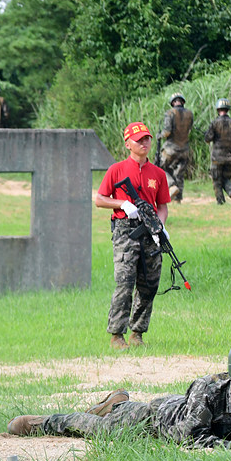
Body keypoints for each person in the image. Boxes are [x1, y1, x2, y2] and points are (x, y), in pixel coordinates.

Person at [7, 337, 231, 451]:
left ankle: (116, 402)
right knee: (92, 428)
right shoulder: (208, 390)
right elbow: (188, 439)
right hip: (154, 421)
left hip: (179, 411)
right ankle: (39, 423)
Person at [95, 122, 170, 350]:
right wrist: (122, 204)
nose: (145, 143)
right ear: (128, 144)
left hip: (150, 230)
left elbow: (163, 205)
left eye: (147, 139)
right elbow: (100, 199)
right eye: (139, 140)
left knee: (149, 283)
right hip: (125, 230)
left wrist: (160, 226)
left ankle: (137, 333)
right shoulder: (116, 170)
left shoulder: (157, 174)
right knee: (125, 282)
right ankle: (117, 335)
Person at [204, 98, 231, 205]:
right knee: (226, 179)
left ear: (218, 109)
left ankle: (220, 201)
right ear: (228, 109)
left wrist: (207, 133)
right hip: (229, 157)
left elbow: (208, 139)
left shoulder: (214, 123)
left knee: (217, 180)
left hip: (217, 158)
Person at [157, 92, 194, 202]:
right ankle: (178, 199)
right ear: (182, 102)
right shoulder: (190, 114)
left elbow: (167, 131)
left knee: (161, 169)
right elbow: (190, 129)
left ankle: (172, 186)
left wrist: (159, 136)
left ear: (172, 103)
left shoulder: (170, 113)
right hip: (184, 149)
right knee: (179, 174)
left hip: (170, 149)